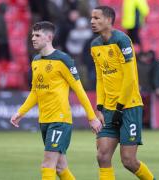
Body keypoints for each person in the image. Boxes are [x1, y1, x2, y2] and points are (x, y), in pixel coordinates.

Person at [10, 21, 102, 180]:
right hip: (44, 120)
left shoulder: (63, 60)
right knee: (60, 167)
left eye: (37, 35)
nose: (33, 38)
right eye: (32, 35)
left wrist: (92, 117)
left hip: (60, 120)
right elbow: (35, 92)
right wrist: (21, 112)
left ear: (49, 37)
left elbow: (79, 90)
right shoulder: (36, 60)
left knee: (47, 165)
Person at [90, 6, 155, 180]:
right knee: (102, 156)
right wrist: (99, 107)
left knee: (128, 161)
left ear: (109, 20)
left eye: (97, 18)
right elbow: (100, 78)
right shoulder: (95, 45)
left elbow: (130, 79)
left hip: (129, 106)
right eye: (92, 18)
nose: (92, 21)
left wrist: (119, 107)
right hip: (109, 109)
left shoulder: (122, 40)